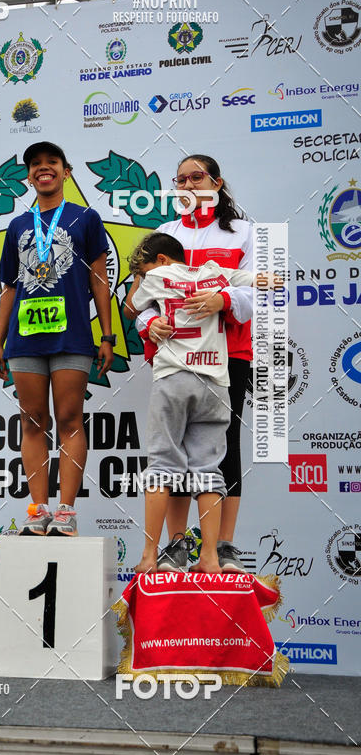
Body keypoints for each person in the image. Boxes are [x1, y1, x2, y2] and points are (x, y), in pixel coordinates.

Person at [125, 154, 253, 572]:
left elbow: (260, 293)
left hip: (229, 354)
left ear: (216, 183)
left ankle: (224, 546)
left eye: (196, 177)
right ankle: (177, 544)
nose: (187, 185)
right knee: (174, 449)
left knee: (223, 446)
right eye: (179, 180)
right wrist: (151, 322)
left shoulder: (244, 234)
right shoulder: (165, 234)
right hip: (174, 358)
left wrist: (224, 299)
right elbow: (135, 300)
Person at [0, 141, 114, 536]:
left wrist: (107, 335)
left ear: (67, 171)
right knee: (31, 421)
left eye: (52, 162)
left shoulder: (85, 219)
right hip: (25, 339)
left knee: (69, 419)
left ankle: (65, 511)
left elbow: (99, 278)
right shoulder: (17, 226)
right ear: (29, 176)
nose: (43, 168)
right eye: (35, 165)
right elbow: (9, 288)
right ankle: (38, 511)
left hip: (73, 335)